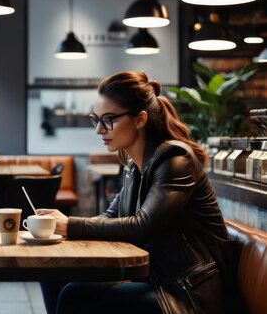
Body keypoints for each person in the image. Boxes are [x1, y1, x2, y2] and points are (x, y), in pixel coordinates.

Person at [38, 71, 241, 314]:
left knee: (75, 296)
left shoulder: (175, 159)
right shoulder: (133, 165)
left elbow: (141, 226)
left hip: (185, 290)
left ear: (140, 119)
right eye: (96, 119)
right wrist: (59, 228)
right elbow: (109, 217)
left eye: (108, 119)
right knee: (53, 275)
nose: (99, 130)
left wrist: (69, 225)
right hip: (151, 278)